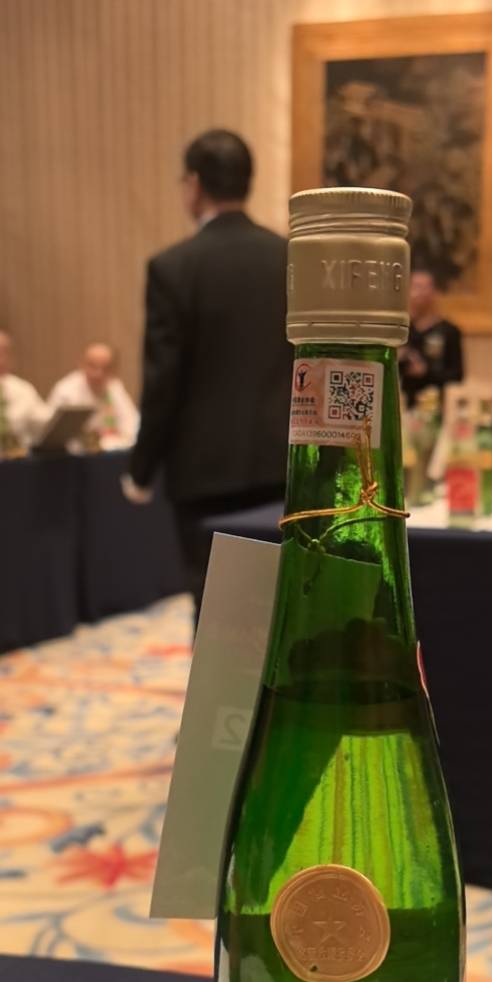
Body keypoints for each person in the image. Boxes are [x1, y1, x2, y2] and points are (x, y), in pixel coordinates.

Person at [123, 128, 291, 623]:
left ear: (194, 184)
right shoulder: (290, 259)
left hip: (204, 474)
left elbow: (163, 381)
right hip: (283, 466)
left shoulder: (173, 267)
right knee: (278, 606)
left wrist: (140, 470)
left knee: (217, 612)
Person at [47, 343, 139, 449]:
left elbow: (132, 427)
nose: (98, 373)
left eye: (105, 368)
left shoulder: (114, 387)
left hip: (110, 451)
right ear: (81, 364)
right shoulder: (65, 391)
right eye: (92, 366)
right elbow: (54, 437)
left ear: (114, 370)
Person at [399, 268, 464, 408]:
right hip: (404, 404)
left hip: (437, 406)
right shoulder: (401, 329)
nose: (419, 293)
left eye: (424, 287)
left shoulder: (449, 331)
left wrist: (425, 372)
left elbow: (457, 375)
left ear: (434, 292)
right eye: (415, 287)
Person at [0, 330, 48, 453]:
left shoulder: (23, 389)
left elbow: (44, 425)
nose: (2, 360)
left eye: (5, 353)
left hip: (19, 458)